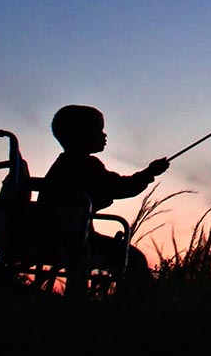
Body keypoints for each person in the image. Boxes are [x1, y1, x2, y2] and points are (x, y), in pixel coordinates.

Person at [37, 104, 169, 297]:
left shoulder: (64, 164)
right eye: (99, 130)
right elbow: (121, 187)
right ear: (79, 135)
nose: (104, 135)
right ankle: (142, 307)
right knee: (133, 258)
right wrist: (150, 173)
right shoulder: (84, 165)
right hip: (74, 240)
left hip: (58, 235)